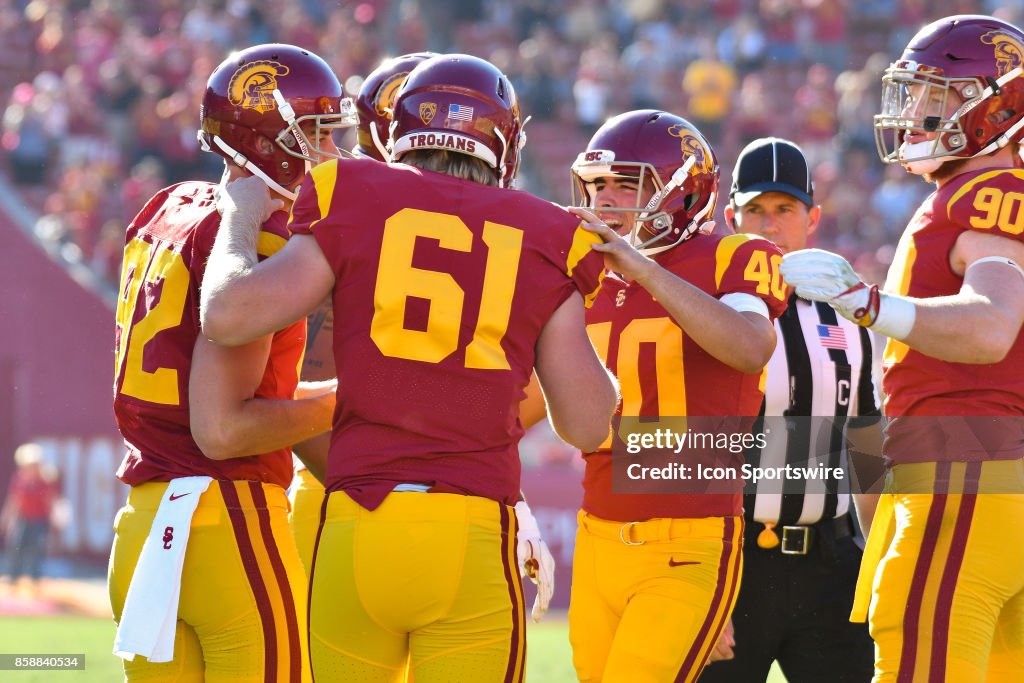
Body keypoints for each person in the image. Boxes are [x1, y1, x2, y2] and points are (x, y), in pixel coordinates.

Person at [200, 53, 618, 682]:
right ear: (500, 143)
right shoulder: (549, 233)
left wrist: (238, 221)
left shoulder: (351, 191)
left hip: (354, 525)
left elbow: (228, 315)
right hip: (469, 527)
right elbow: (588, 425)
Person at [780, 15, 1024, 682]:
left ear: (994, 107)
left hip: (964, 477)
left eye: (936, 97)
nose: (914, 113)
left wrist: (869, 304)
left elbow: (992, 323)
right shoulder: (976, 194)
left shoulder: (988, 193)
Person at [108, 43, 351, 682]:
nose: (334, 154)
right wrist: (350, 396)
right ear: (276, 143)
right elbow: (225, 430)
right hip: (227, 519)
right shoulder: (253, 242)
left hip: (142, 528)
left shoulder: (166, 206)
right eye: (320, 136)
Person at [553, 109, 787, 683]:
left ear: (680, 193)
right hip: (595, 533)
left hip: (689, 537)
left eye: (626, 185)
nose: (606, 199)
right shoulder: (588, 277)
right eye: (597, 183)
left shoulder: (735, 256)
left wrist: (642, 270)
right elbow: (534, 401)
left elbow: (751, 347)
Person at [699, 137, 880, 683]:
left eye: (784, 210)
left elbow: (866, 439)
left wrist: (875, 560)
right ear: (731, 217)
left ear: (812, 218)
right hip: (736, 563)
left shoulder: (852, 310)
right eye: (755, 210)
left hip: (833, 560)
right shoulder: (710, 307)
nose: (769, 225)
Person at [288, 50, 438, 579]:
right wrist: (375, 488)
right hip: (353, 487)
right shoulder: (341, 217)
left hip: (440, 492)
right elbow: (295, 382)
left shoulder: (343, 213)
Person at [0, 443, 62, 593]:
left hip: (40, 521)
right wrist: (6, 519)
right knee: (16, 546)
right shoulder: (19, 480)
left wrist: (56, 519)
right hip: (23, 519)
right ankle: (13, 578)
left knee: (36, 550)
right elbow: (14, 501)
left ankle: (35, 580)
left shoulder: (45, 481)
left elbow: (51, 501)